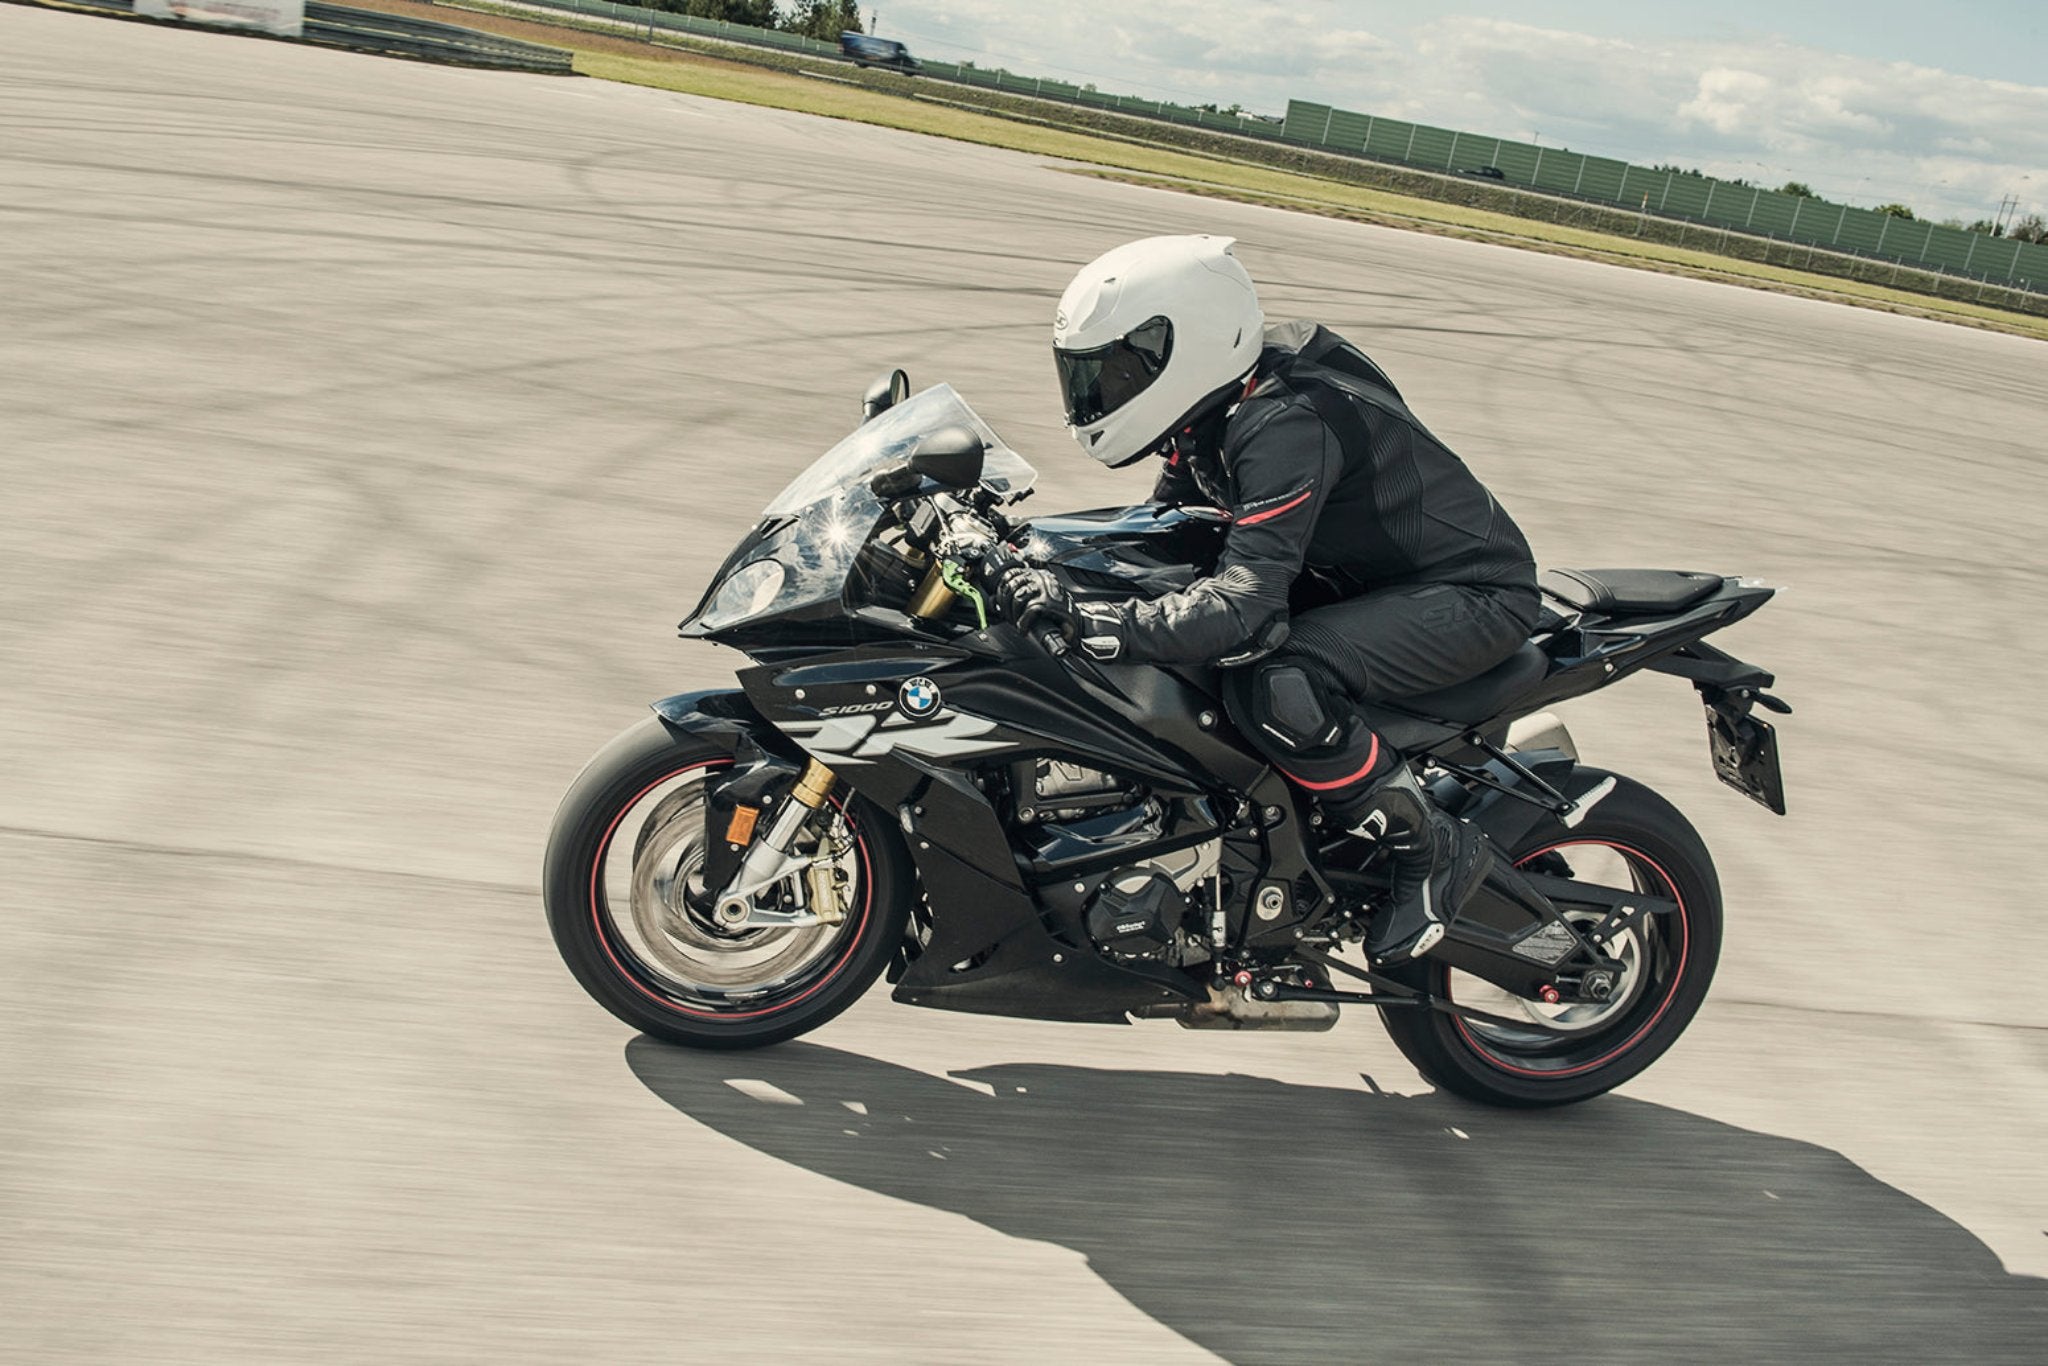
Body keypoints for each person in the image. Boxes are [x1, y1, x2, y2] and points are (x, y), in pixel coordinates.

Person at [997, 234, 1540, 964]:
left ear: (1186, 346)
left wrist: (1103, 623)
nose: (1101, 392)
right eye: (1092, 374)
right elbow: (1166, 530)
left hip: (1468, 596)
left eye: (1122, 370)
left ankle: (1433, 847)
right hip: (1361, 582)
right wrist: (1031, 552)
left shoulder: (1283, 422)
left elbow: (1247, 604)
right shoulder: (1214, 410)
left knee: (1277, 681)